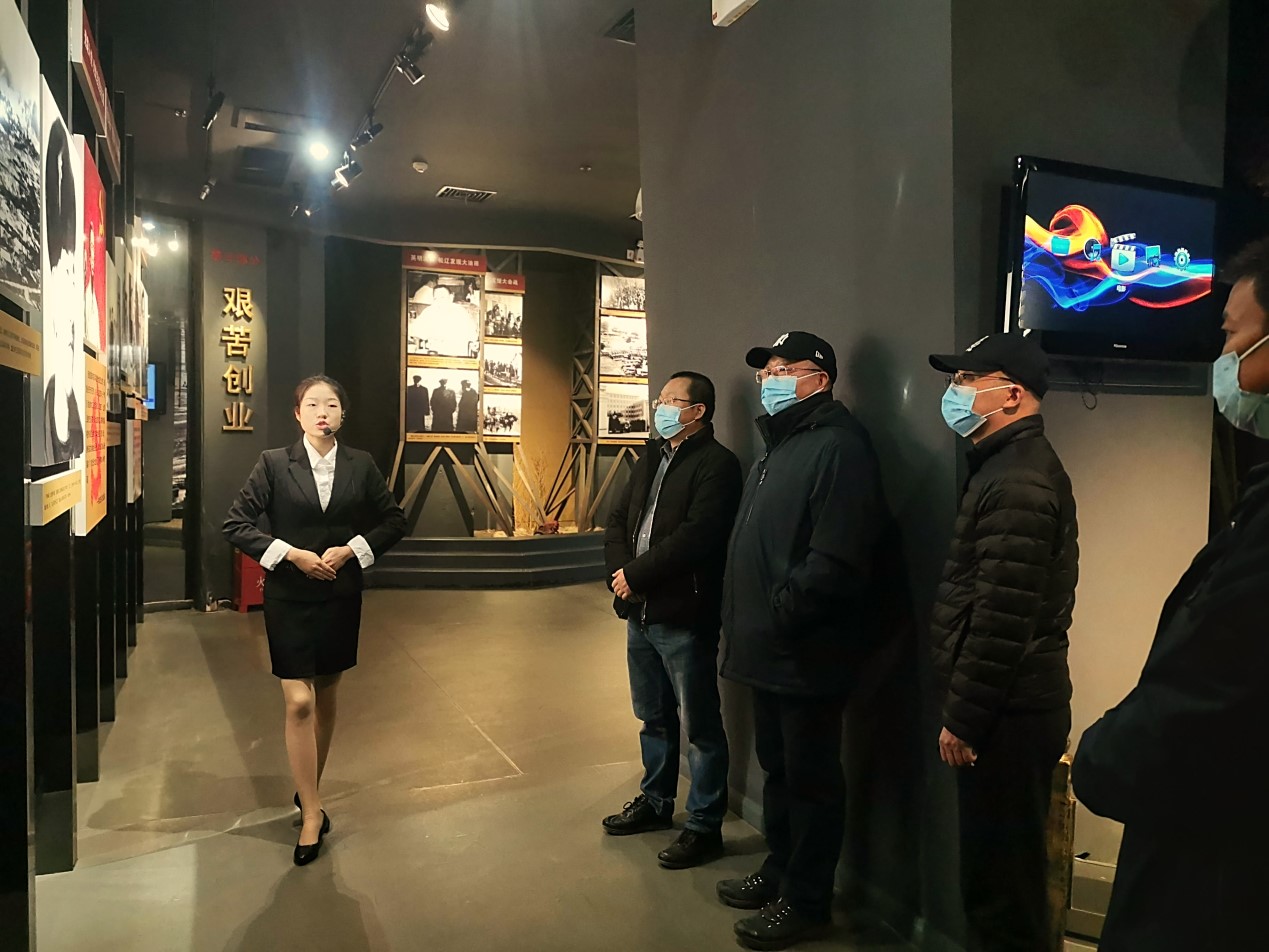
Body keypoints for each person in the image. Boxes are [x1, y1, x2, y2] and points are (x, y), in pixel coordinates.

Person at [1071, 240, 1269, 951]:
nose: (1225, 358)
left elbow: (1210, 691)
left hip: (1216, 883)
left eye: (1233, 335)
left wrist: (1100, 756)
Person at [718, 332, 889, 950]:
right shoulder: (781, 445)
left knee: (812, 781)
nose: (769, 379)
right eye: (766, 370)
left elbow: (836, 558)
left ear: (819, 378)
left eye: (783, 369)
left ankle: (808, 900)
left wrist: (782, 614)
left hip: (806, 651)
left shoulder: (839, 446)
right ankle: (781, 868)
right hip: (767, 651)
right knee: (779, 770)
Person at [926, 332, 1077, 952]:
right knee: (998, 878)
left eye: (966, 380)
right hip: (1007, 707)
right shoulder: (1004, 465)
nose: (954, 392)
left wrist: (964, 716)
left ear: (1011, 395)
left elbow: (1003, 615)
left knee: (1001, 891)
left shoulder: (1018, 480)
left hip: (1008, 716)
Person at [223, 375, 407, 866]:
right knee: (299, 701)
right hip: (289, 597)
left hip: (340, 597)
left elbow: (394, 520)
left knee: (326, 696)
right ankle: (311, 813)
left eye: (331, 405)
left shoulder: (360, 464)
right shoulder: (273, 464)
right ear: (297, 413)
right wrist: (291, 554)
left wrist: (351, 550)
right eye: (312, 404)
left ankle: (310, 792)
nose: (322, 412)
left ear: (343, 414)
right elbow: (235, 523)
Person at [602, 372, 743, 869]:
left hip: (683, 613)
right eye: (659, 399)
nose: (659, 407)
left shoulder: (717, 465)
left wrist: (636, 575)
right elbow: (617, 520)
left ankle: (704, 825)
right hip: (638, 611)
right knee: (653, 716)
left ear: (697, 411)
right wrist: (620, 575)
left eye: (670, 400)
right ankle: (656, 801)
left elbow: (698, 536)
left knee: (700, 725)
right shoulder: (651, 457)